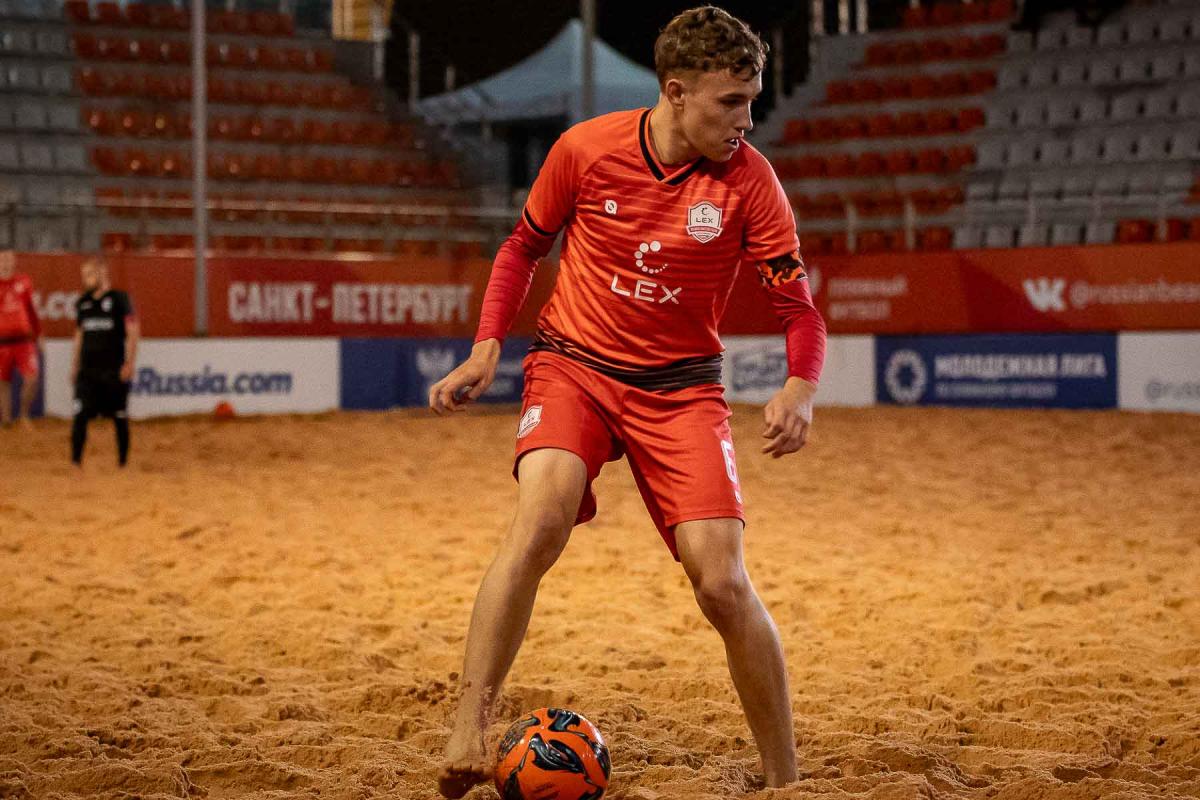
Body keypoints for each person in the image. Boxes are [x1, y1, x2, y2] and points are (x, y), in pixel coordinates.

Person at [428, 6, 826, 797]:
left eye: (752, 101)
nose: (746, 121)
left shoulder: (752, 181)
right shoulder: (585, 149)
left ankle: (785, 779)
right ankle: (468, 727)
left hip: (681, 390)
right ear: (675, 92)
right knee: (540, 521)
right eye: (730, 102)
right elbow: (522, 247)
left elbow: (799, 308)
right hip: (572, 366)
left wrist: (800, 386)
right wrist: (486, 344)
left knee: (722, 583)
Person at [71, 258, 139, 467]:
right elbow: (79, 334)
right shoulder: (83, 302)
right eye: (84, 275)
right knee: (80, 415)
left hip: (113, 370)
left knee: (119, 417)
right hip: (87, 371)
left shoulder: (120, 299)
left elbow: (133, 331)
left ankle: (122, 463)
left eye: (89, 274)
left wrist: (129, 362)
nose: (86, 279)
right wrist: (74, 365)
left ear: (102, 273)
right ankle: (75, 463)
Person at [0, 250, 42, 429]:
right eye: (2, 259)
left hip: (24, 341)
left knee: (32, 377)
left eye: (8, 259)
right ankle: (6, 420)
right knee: (3, 382)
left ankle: (24, 415)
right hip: (2, 342)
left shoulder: (24, 282)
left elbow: (31, 309)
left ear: (14, 261)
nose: (5, 263)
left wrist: (39, 334)